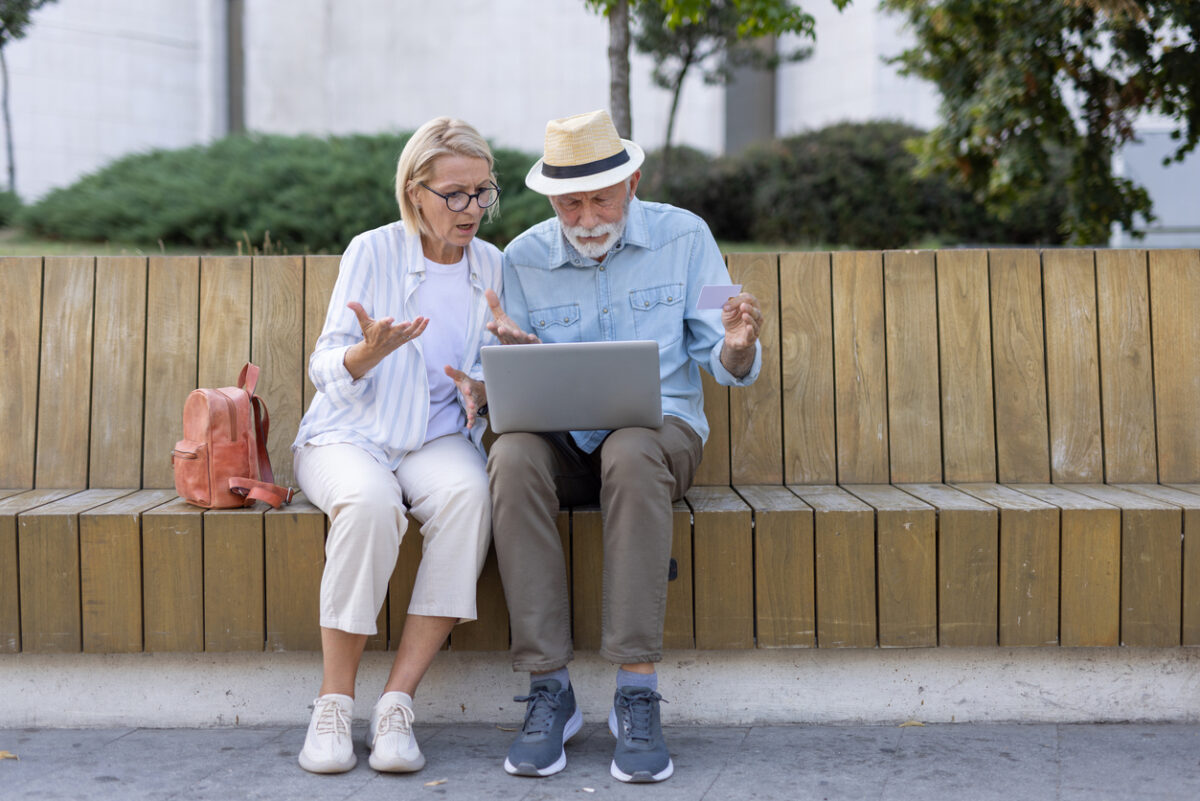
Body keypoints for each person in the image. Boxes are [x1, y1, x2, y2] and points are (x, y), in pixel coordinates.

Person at [485, 109, 763, 783]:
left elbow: (725, 350)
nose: (584, 217)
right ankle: (549, 688)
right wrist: (508, 354)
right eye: (568, 202)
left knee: (632, 449)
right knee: (511, 455)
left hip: (659, 438)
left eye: (599, 198)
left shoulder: (688, 235)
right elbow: (508, 385)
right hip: (564, 444)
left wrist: (738, 342)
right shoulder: (521, 258)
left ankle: (637, 690)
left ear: (632, 182)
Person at [291, 116, 503, 775]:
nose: (472, 209)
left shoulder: (493, 264)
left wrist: (485, 385)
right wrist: (363, 354)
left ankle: (395, 704)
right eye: (455, 194)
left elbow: (491, 364)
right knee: (370, 502)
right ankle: (333, 702)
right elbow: (324, 367)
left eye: (483, 192)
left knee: (470, 496)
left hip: (435, 435)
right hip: (348, 433)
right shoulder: (373, 251)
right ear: (416, 191)